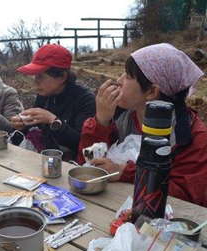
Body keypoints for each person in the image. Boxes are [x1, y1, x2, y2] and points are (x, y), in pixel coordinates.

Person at [77, 43, 207, 206]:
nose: (119, 80)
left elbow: (186, 197)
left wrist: (126, 172)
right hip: (110, 206)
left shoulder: (193, 137)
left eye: (128, 76)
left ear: (151, 92)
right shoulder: (122, 118)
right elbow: (85, 165)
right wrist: (101, 120)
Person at [10, 44, 95, 160]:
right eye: (35, 76)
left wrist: (53, 121)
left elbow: (84, 145)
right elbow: (33, 127)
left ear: (62, 77)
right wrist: (22, 125)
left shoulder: (85, 100)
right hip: (45, 159)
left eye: (40, 76)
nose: (36, 82)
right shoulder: (45, 94)